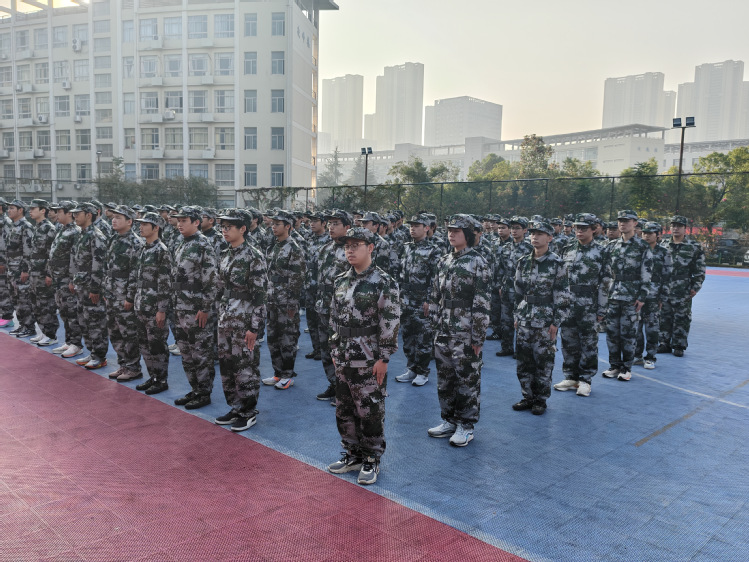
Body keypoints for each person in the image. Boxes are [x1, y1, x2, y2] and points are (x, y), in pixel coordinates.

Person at [327, 227, 400, 485]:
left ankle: (371, 457)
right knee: (344, 408)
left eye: (355, 245)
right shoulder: (340, 281)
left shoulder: (383, 282)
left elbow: (390, 321)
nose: (349, 250)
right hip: (343, 355)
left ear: (370, 248)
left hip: (368, 357)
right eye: (347, 245)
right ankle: (352, 453)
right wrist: (334, 348)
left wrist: (384, 358)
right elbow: (334, 318)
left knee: (370, 409)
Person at [427, 214, 490, 446]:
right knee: (445, 378)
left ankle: (466, 425)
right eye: (450, 230)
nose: (451, 234)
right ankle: (449, 419)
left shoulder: (478, 262)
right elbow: (436, 295)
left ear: (469, 235)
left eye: (457, 231)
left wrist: (478, 335)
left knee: (467, 378)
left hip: (465, 331)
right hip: (444, 329)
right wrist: (434, 325)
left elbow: (482, 301)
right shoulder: (444, 260)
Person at [213, 210, 268, 432]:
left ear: (243, 229)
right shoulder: (225, 254)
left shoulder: (254, 256)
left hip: (244, 321)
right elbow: (220, 288)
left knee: (245, 367)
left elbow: (260, 297)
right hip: (226, 319)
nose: (224, 231)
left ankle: (248, 411)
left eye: (229, 227)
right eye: (223, 227)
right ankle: (235, 407)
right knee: (227, 366)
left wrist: (254, 327)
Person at [512, 220, 570, 415]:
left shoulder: (557, 263)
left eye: (540, 234)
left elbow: (563, 295)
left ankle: (540, 400)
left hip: (545, 320)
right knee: (524, 361)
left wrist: (556, 322)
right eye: (533, 233)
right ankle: (527, 396)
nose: (534, 237)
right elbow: (518, 292)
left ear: (550, 238)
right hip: (525, 318)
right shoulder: (523, 261)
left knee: (543, 362)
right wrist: (516, 315)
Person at [554, 213, 610, 398]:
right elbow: (560, 278)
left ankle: (585, 379)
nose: (579, 231)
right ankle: (570, 377)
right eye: (577, 228)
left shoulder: (601, 251)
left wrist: (602, 309)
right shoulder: (567, 249)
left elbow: (605, 282)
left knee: (588, 343)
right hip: (568, 303)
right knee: (568, 341)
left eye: (584, 228)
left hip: (589, 304)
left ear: (593, 229)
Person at [171, 206, 218, 410]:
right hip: (180, 307)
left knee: (201, 353)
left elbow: (211, 280)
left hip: (196, 308)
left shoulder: (203, 244)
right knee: (186, 352)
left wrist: (205, 308)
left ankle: (204, 392)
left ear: (196, 222)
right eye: (178, 220)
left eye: (184, 220)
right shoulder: (181, 242)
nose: (179, 224)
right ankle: (195, 388)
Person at [602, 210, 654, 381]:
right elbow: (606, 272)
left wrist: (642, 296)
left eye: (626, 221)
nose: (622, 224)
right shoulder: (611, 246)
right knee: (612, 333)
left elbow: (647, 272)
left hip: (632, 296)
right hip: (613, 295)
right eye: (620, 221)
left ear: (635, 223)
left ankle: (626, 368)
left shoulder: (642, 246)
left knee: (629, 334)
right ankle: (614, 366)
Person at [261, 210, 306, 390]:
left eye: (277, 224)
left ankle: (287, 375)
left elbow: (297, 279)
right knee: (273, 338)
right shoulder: (273, 246)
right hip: (272, 299)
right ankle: (277, 373)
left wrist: (291, 304)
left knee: (287, 339)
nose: (273, 227)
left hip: (286, 302)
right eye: (272, 224)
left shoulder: (294, 248)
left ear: (288, 226)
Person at [396, 214, 442, 386]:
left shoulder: (433, 250)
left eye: (417, 226)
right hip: (406, 299)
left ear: (426, 228)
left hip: (422, 299)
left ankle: (422, 372)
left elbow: (436, 277)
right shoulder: (406, 247)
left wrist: (430, 299)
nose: (412, 229)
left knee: (423, 338)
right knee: (408, 336)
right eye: (411, 226)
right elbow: (399, 273)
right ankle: (412, 369)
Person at [132, 212, 173, 395]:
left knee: (157, 344)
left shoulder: (161, 251)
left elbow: (164, 283)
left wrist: (161, 309)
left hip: (154, 305)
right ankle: (153, 376)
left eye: (145, 224)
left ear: (156, 228)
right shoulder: (143, 248)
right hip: (141, 304)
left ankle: (161, 379)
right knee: (144, 343)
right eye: (140, 224)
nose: (140, 227)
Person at [314, 210, 351, 404]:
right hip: (323, 305)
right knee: (326, 349)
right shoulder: (324, 248)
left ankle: (345, 390)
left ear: (347, 227)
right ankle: (334, 384)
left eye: (336, 223)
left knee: (342, 350)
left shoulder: (351, 249)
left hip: (341, 308)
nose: (331, 227)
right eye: (330, 223)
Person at [104, 205, 144, 382]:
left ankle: (133, 367)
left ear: (130, 221)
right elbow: (107, 267)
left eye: (118, 218)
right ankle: (123, 364)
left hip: (124, 295)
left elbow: (135, 273)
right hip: (112, 293)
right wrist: (106, 289)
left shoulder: (136, 243)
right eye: (113, 217)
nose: (114, 220)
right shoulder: (113, 239)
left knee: (129, 332)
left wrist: (130, 296)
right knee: (114, 331)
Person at [658, 215, 706, 357]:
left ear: (685, 228)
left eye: (679, 226)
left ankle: (679, 345)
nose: (676, 228)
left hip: (683, 287)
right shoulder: (663, 245)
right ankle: (664, 343)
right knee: (664, 316)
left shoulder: (694, 247)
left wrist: (695, 287)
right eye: (673, 225)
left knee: (682, 317)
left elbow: (700, 269)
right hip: (665, 286)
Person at [69, 202, 109, 369]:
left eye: (78, 213)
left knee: (95, 321)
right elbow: (76, 260)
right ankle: (92, 351)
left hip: (91, 286)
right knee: (84, 320)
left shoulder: (96, 235)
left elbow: (99, 264)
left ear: (88, 215)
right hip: (81, 285)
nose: (75, 216)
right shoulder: (81, 234)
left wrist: (95, 288)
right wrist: (73, 280)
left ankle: (99, 355)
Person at [46, 201, 83, 357]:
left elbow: (76, 258)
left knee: (72, 311)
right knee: (63, 311)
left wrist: (73, 280)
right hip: (58, 278)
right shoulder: (61, 229)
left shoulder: (75, 232)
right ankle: (68, 341)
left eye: (59, 211)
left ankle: (76, 344)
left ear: (69, 213)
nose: (56, 214)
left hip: (67, 278)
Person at [634, 222, 671, 369]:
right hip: (637, 294)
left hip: (654, 296)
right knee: (636, 327)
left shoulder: (664, 252)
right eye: (644, 233)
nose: (646, 236)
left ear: (658, 235)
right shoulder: (637, 249)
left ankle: (650, 357)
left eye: (650, 233)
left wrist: (663, 297)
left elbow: (667, 276)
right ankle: (637, 355)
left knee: (652, 328)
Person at [496, 216, 532, 357]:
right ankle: (507, 347)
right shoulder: (506, 247)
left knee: (521, 320)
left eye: (517, 228)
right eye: (512, 228)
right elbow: (500, 268)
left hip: (521, 289)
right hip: (507, 288)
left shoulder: (529, 248)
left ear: (525, 230)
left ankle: (520, 349)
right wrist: (500, 285)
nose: (514, 231)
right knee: (506, 320)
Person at [27, 199, 59, 347]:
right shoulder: (37, 227)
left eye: (33, 208)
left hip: (42, 273)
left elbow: (51, 254)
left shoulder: (49, 229)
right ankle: (43, 331)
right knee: (36, 304)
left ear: (43, 210)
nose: (30, 211)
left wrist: (49, 274)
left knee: (46, 304)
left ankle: (51, 335)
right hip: (34, 273)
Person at [5, 200, 35, 338]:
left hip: (20, 270)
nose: (9, 210)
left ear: (20, 210)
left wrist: (25, 270)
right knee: (15, 299)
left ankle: (29, 327)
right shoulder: (13, 226)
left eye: (12, 208)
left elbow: (28, 251)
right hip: (12, 269)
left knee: (24, 299)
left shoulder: (26, 226)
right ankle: (22, 325)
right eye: (8, 208)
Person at [302, 212, 329, 361]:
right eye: (311, 221)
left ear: (324, 223)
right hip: (309, 284)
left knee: (322, 320)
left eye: (316, 221)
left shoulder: (329, 240)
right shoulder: (308, 238)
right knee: (311, 318)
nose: (312, 223)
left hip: (322, 286)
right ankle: (316, 348)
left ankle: (325, 350)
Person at [0, 197, 14, 329]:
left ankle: (7, 316)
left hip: (2, 262)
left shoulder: (5, 222)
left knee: (4, 289)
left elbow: (6, 245)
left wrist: (3, 262)